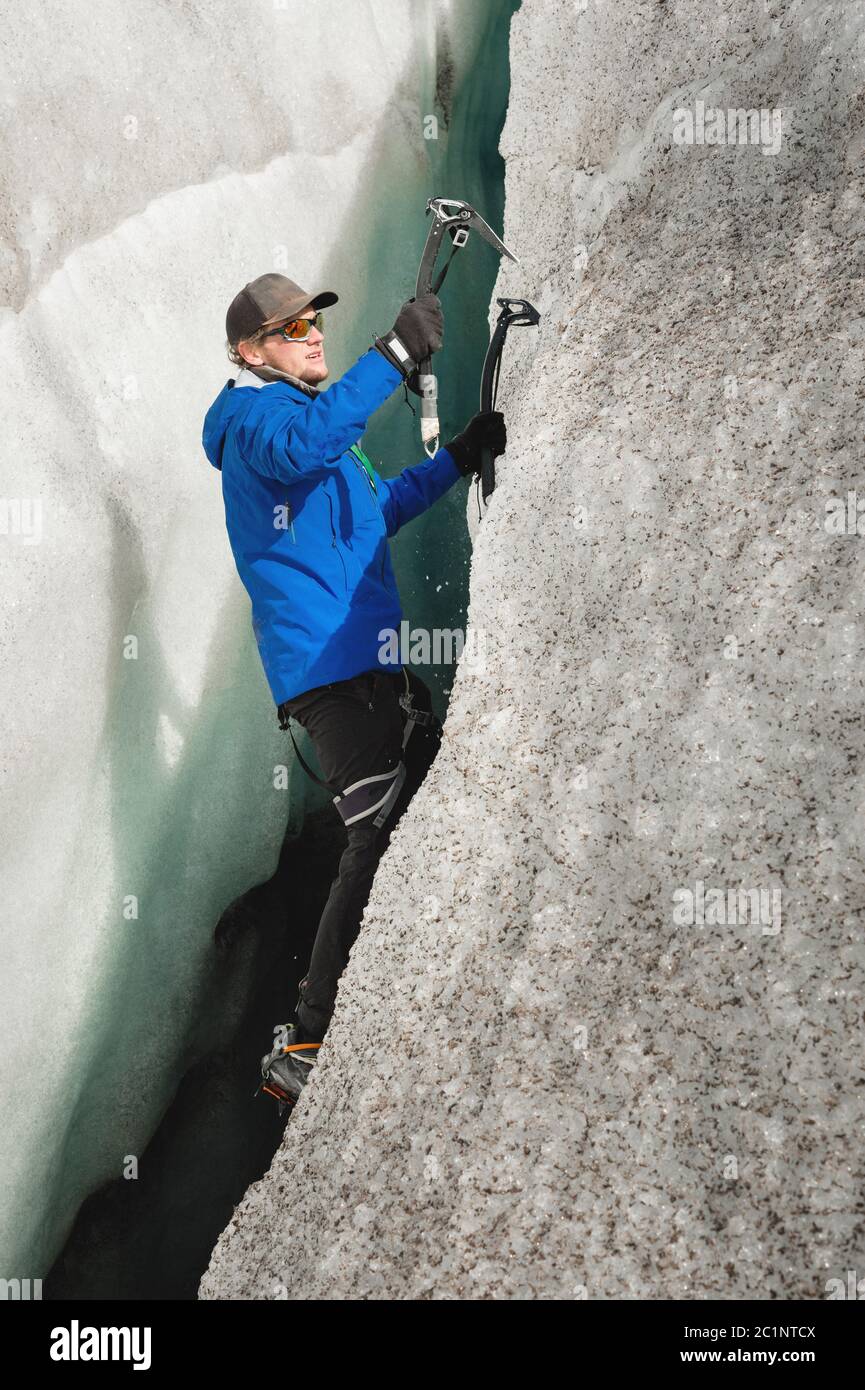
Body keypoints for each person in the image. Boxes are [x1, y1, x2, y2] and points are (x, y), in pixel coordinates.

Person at [202, 272, 506, 1103]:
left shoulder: (306, 425)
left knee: (416, 812)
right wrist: (396, 353)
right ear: (247, 351)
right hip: (329, 674)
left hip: (369, 664)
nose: (308, 333)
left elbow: (378, 508)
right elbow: (306, 449)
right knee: (374, 829)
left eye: (311, 321)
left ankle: (418, 981)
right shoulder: (252, 419)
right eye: (287, 327)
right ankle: (310, 1035)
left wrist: (458, 457)